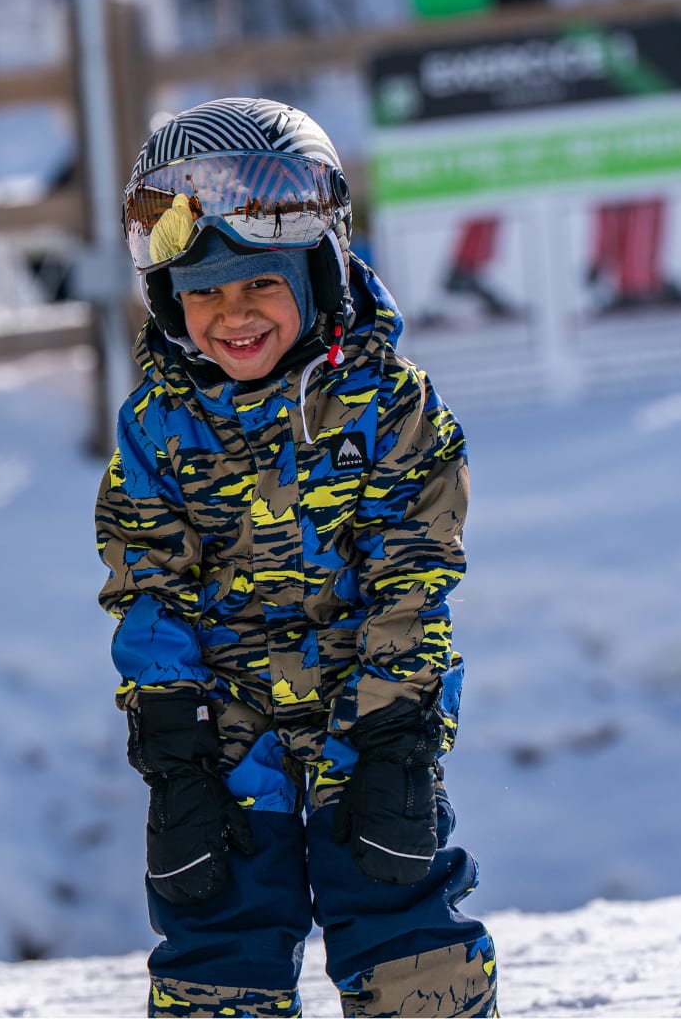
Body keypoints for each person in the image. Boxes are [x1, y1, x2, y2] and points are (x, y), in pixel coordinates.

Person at [96, 97, 498, 1018]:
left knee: (404, 929)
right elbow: (147, 582)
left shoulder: (391, 410)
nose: (230, 317)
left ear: (317, 273)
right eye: (203, 294)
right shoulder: (160, 424)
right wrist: (172, 742)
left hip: (369, 725)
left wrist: (398, 740)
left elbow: (414, 576)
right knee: (218, 942)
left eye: (257, 287)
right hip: (228, 738)